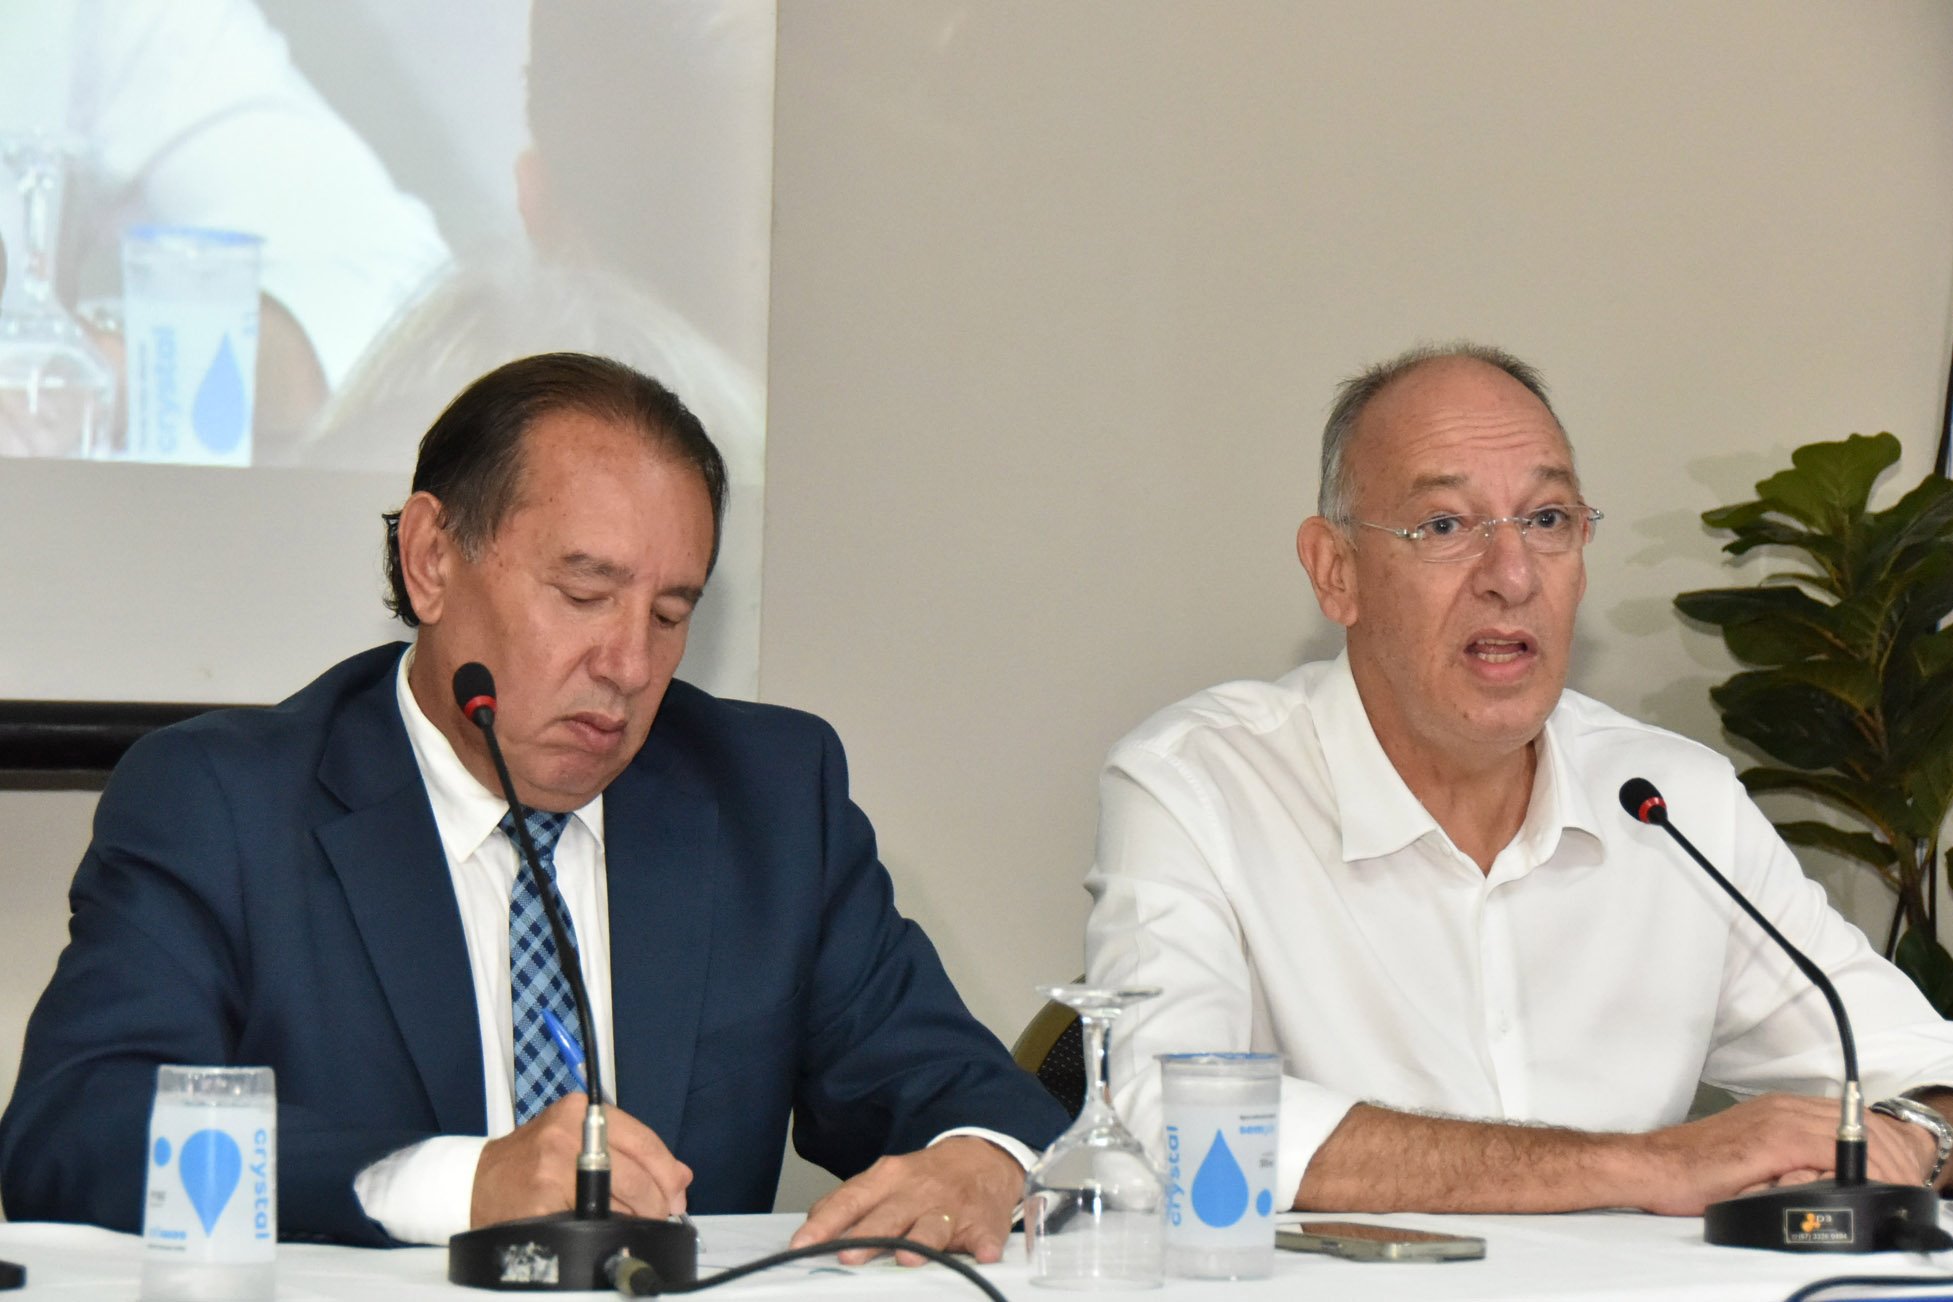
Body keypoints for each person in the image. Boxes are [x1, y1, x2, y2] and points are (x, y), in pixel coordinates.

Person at [0, 352, 1067, 1258]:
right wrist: (466, 1185)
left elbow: (966, 1093)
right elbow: (77, 1132)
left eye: (670, 614)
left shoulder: (768, 798)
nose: (628, 664)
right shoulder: (225, 804)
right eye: (585, 594)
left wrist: (982, 1161)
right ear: (431, 559)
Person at [1085, 342, 1953, 1216]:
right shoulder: (1201, 784)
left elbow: (1927, 1066)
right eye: (1443, 526)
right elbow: (1162, 1118)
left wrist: (1909, 1137)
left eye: (1545, 519)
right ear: (1335, 571)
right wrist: (1644, 1166)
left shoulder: (1670, 802)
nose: (1511, 576)